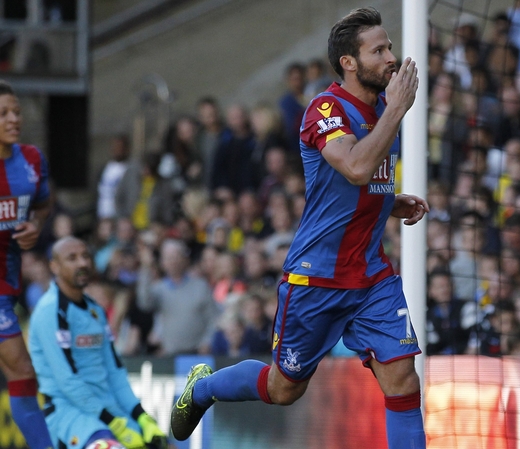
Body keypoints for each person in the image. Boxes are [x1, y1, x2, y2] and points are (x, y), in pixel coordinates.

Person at [170, 8, 427, 449]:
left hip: (371, 276)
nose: (391, 57)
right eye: (379, 49)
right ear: (349, 61)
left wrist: (388, 202)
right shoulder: (326, 108)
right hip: (317, 276)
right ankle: (203, 387)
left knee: (403, 381)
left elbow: (362, 182)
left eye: (389, 47)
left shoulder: (384, 108)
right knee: (283, 389)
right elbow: (355, 165)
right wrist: (399, 109)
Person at [28, 237, 167, 449]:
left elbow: (115, 372)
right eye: (72, 258)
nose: (82, 263)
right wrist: (113, 423)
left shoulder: (96, 311)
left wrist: (142, 417)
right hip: (71, 413)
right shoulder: (50, 311)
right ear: (54, 266)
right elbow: (67, 380)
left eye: (85, 256)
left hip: (110, 409)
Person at [0, 80, 54, 449]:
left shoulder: (32, 159)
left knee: (21, 373)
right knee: (22, 369)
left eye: (16, 111)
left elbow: (43, 204)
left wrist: (35, 225)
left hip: (9, 282)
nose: (13, 118)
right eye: (3, 113)